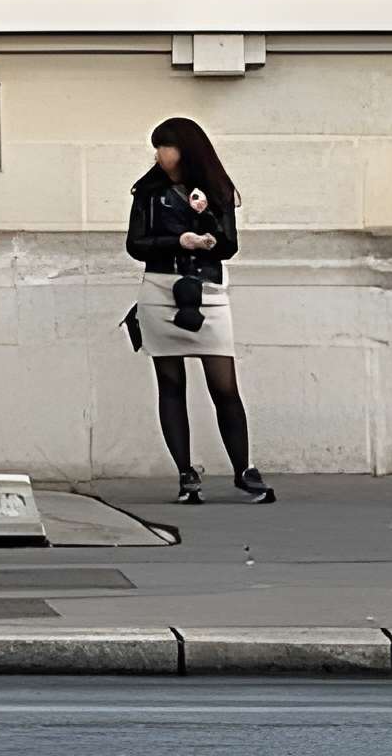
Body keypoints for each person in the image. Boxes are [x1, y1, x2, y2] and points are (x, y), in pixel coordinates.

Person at [126, 116, 271, 505]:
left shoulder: (217, 188)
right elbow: (136, 245)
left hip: (207, 290)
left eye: (163, 146)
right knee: (171, 385)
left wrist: (204, 221)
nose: (158, 155)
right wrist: (179, 240)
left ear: (184, 149)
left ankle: (244, 470)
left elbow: (228, 246)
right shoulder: (148, 191)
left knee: (224, 385)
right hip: (160, 289)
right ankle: (186, 474)